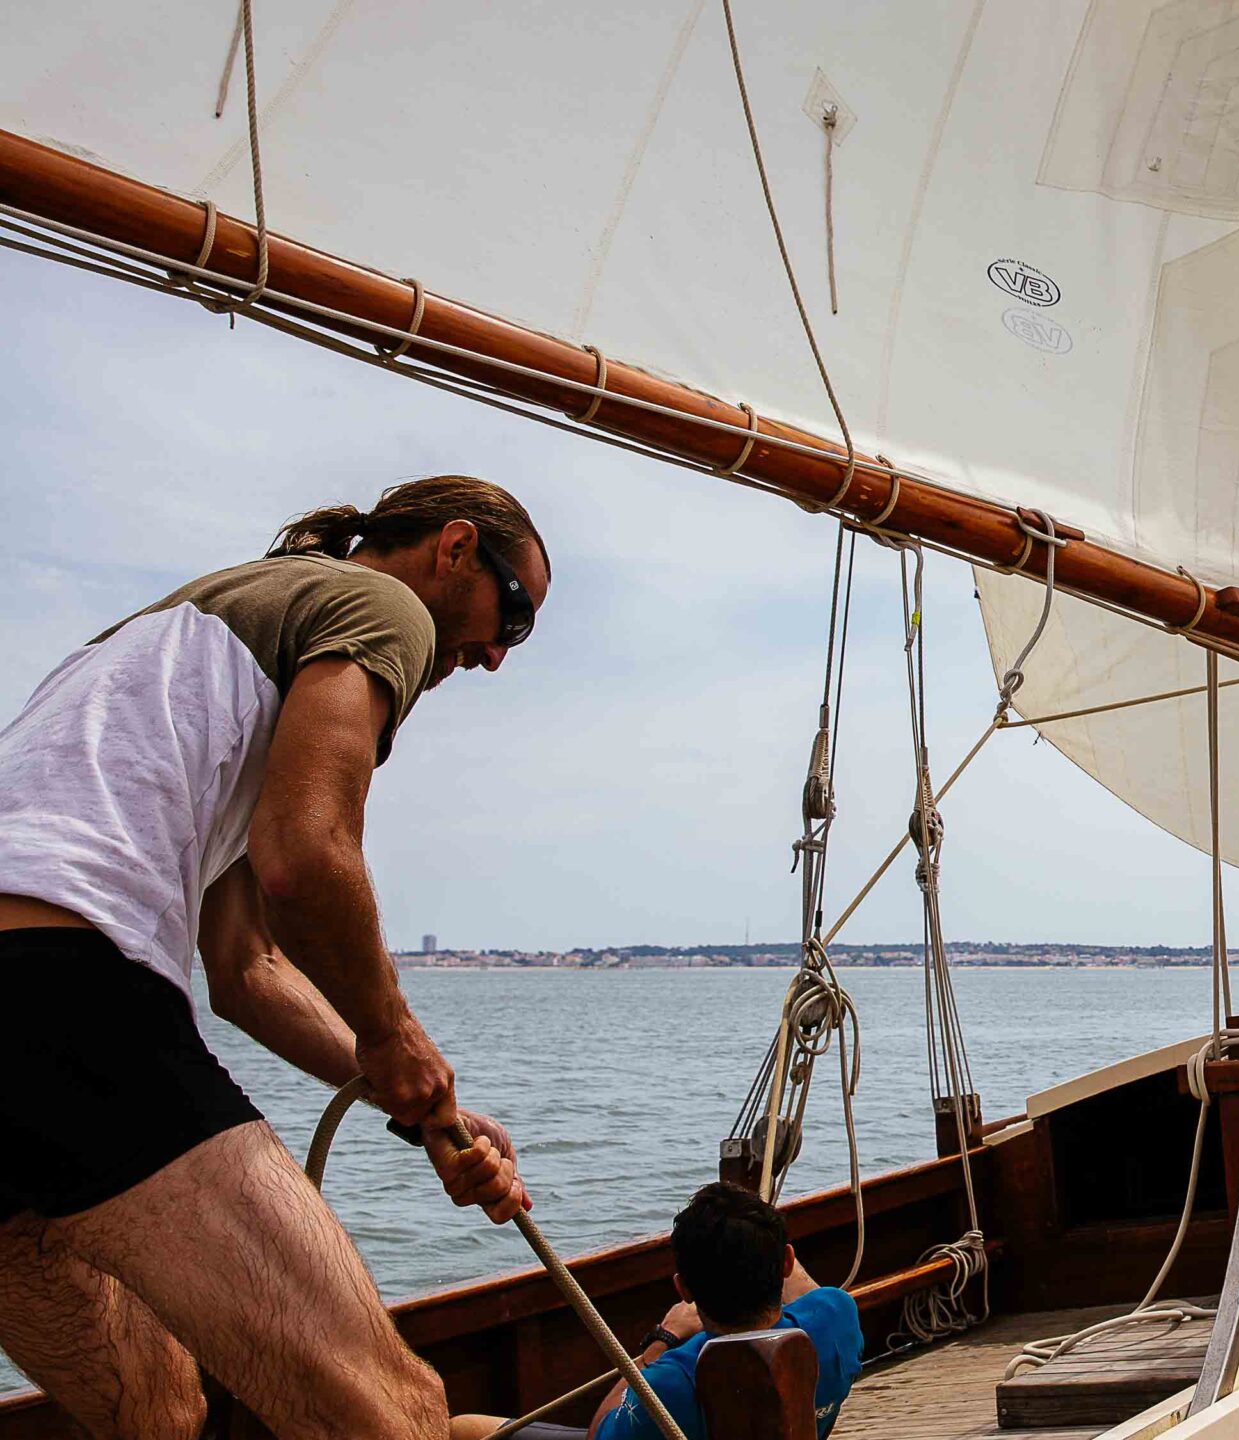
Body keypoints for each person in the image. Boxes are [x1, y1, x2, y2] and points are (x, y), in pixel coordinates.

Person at [0, 476, 551, 1439]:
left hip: (33, 984)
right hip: (54, 984)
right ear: (456, 549)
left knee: (156, 1408)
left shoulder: (184, 642)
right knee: (396, 1413)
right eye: (514, 614)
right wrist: (393, 1033)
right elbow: (307, 854)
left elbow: (245, 970)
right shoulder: (381, 605)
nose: (499, 655)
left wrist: (427, 1112)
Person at [450, 1182, 867, 1440]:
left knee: (460, 1429)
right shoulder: (837, 1320)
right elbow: (808, 1289)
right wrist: (753, 1231)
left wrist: (662, 1340)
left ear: (683, 1289)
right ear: (787, 1262)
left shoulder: (672, 1381)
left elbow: (599, 1436)